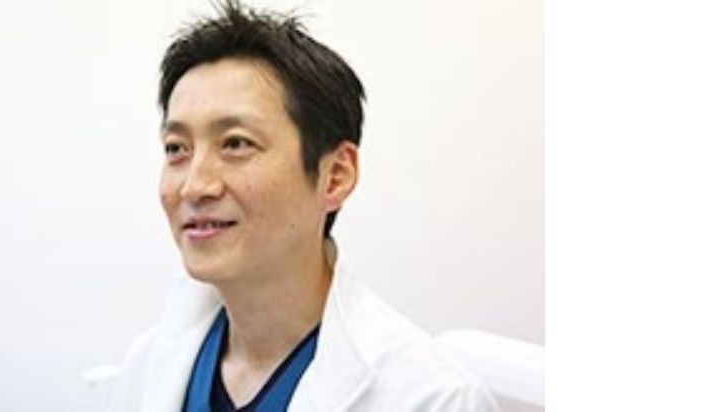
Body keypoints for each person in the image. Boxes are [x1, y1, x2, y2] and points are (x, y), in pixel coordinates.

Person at [109, 1, 499, 410]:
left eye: (236, 143)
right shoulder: (149, 365)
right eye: (177, 148)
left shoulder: (432, 397)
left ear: (336, 176)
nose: (193, 186)